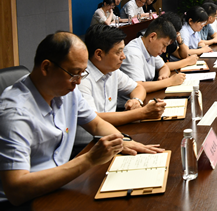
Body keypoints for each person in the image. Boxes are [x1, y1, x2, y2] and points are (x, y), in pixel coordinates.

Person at [0, 32, 163, 206]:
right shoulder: (15, 112)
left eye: (81, 74)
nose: (78, 82)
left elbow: (96, 124)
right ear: (46, 67)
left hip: (61, 184)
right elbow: (16, 190)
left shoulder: (66, 90)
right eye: (74, 74)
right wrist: (89, 159)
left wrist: (123, 141)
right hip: (28, 201)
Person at [81, 24, 166, 125]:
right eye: (119, 52)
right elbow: (93, 119)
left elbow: (138, 88)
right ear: (99, 54)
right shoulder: (82, 78)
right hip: (93, 135)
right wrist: (142, 113)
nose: (123, 56)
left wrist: (136, 100)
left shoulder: (112, 70)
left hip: (113, 129)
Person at [120, 18, 186, 97]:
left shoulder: (150, 48)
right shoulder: (133, 53)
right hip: (130, 103)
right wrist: (170, 81)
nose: (164, 50)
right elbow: (138, 87)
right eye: (164, 45)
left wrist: (163, 76)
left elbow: (164, 67)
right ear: (152, 37)